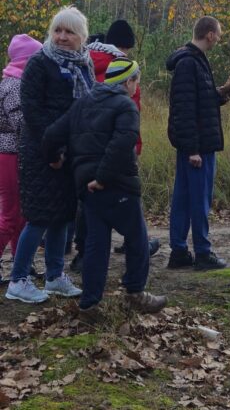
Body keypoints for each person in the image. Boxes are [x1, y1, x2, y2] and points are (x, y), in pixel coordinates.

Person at [43, 57, 167, 323]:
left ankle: (90, 305)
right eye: (137, 81)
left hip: (86, 188)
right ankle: (135, 293)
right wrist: (102, 177)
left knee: (97, 244)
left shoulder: (83, 103)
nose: (137, 87)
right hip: (116, 184)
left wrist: (56, 158)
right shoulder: (126, 105)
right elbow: (123, 143)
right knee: (137, 239)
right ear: (129, 81)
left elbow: (52, 134)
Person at [5, 7, 94, 304]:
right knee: (40, 217)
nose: (62, 37)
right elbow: (33, 114)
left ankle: (55, 276)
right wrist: (54, 149)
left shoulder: (84, 64)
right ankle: (19, 279)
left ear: (81, 36)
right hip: (42, 152)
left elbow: (87, 107)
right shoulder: (39, 64)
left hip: (72, 151)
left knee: (64, 216)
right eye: (58, 30)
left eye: (69, 32)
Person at [166, 16, 230, 271]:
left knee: (185, 198)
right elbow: (184, 109)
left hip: (195, 144)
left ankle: (179, 252)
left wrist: (221, 94)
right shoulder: (189, 63)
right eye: (218, 34)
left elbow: (200, 102)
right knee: (198, 200)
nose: (219, 38)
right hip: (197, 147)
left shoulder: (195, 61)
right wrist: (193, 150)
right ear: (209, 34)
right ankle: (202, 253)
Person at [82, 18, 159, 266]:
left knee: (88, 198)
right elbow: (131, 109)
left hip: (88, 143)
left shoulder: (86, 59)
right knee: (128, 193)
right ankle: (136, 242)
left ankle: (82, 252)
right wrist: (135, 145)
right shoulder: (123, 68)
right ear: (123, 45)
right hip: (118, 142)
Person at [0, 35, 43, 283]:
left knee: (22, 215)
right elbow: (22, 124)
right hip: (10, 154)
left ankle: (21, 263)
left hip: (16, 153)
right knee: (10, 216)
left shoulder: (15, 82)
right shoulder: (14, 86)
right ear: (27, 62)